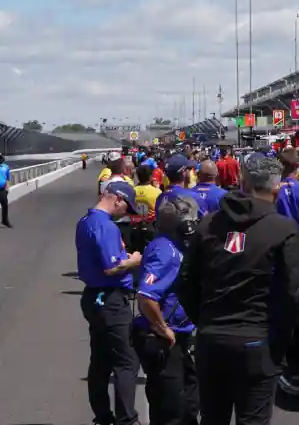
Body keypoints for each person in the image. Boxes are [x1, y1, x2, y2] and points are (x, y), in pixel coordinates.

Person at [182, 158, 299, 425]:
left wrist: (204, 321)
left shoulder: (207, 224)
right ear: (276, 191)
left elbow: (186, 282)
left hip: (211, 338)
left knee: (212, 419)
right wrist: (279, 340)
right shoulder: (283, 229)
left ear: (243, 182)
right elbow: (293, 292)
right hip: (257, 340)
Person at [79, 180, 146, 425]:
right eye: (125, 208)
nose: (124, 214)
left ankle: (103, 416)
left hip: (93, 296)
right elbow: (112, 267)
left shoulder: (85, 221)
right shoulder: (105, 226)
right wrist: (134, 260)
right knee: (126, 361)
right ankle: (127, 419)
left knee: (100, 358)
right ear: (117, 199)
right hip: (110, 298)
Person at [134, 194, 201, 425]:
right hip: (164, 338)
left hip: (180, 335)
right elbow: (146, 296)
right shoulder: (165, 251)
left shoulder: (175, 246)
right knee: (170, 409)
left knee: (189, 403)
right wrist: (163, 329)